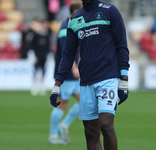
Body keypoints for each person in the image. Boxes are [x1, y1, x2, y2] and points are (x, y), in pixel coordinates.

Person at [50, 0, 130, 149]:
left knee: (106, 124)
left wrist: (124, 78)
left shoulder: (110, 11)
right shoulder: (74, 20)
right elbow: (67, 55)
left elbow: (122, 45)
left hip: (108, 77)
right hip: (86, 81)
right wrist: (57, 84)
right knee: (91, 132)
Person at [49, 1, 82, 145]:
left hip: (73, 74)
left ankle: (64, 125)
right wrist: (74, 68)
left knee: (87, 101)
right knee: (62, 104)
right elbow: (65, 52)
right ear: (75, 11)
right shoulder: (65, 27)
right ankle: (53, 136)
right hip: (66, 74)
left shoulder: (73, 25)